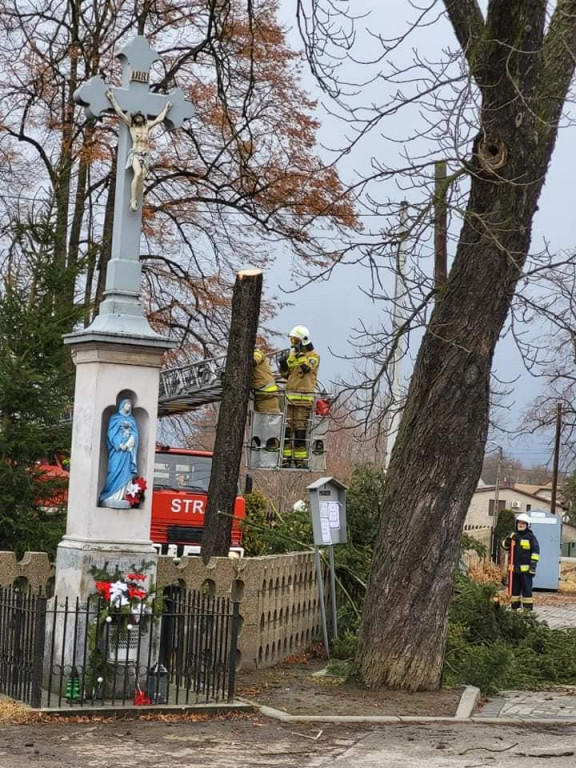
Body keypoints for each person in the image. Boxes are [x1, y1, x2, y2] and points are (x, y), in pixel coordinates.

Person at [106, 89, 172, 212]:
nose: (138, 118)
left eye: (139, 116)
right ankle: (133, 200)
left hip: (145, 155)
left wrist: (166, 109)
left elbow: (159, 119)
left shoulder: (147, 126)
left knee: (142, 177)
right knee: (137, 174)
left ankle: (136, 198)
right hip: (136, 154)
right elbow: (120, 113)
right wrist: (112, 99)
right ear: (134, 119)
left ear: (142, 117)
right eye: (136, 117)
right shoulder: (132, 127)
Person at [278, 325, 320, 467]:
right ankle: (286, 459)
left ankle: (300, 461)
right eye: (292, 340)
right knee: (287, 430)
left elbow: (307, 368)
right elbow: (286, 374)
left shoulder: (314, 355)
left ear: (304, 341)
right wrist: (283, 364)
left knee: (300, 431)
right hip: (290, 399)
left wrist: (300, 355)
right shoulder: (293, 354)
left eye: (296, 340)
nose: (293, 343)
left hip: (304, 400)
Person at [100, 398, 139, 508]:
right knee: (114, 470)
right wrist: (119, 444)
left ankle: (123, 496)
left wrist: (130, 441)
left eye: (130, 404)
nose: (129, 406)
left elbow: (136, 434)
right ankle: (111, 495)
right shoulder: (115, 418)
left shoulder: (132, 420)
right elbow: (111, 433)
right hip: (117, 451)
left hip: (128, 452)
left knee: (125, 472)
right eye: (127, 404)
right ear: (122, 405)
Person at [502, 512, 540, 611]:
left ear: (527, 525)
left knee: (527, 592)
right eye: (519, 523)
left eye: (523, 523)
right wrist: (508, 540)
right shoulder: (513, 535)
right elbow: (504, 546)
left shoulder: (531, 537)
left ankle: (527, 612)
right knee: (514, 592)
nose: (521, 524)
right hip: (514, 570)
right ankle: (514, 610)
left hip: (526, 572)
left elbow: (535, 553)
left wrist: (533, 567)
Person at [252, 349, 281, 413]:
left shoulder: (257, 353)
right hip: (261, 394)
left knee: (270, 418)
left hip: (268, 394)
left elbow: (255, 360)